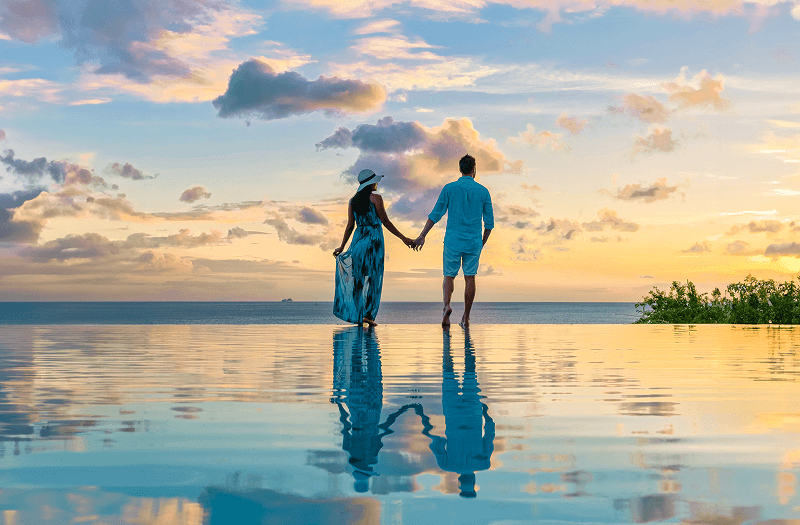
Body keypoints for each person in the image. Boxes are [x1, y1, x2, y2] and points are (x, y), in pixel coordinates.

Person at [414, 154, 494, 327]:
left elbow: (436, 214)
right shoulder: (483, 191)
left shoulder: (449, 189)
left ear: (460, 169)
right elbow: (489, 224)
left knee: (448, 276)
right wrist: (482, 242)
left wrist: (423, 235)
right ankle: (466, 317)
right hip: (473, 241)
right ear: (474, 170)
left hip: (453, 240)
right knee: (470, 277)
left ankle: (446, 306)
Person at [333, 168, 415, 326]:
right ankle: (368, 315)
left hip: (358, 242)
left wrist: (342, 246)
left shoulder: (353, 201)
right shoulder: (376, 198)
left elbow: (350, 225)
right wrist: (403, 237)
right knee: (374, 278)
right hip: (374, 241)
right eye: (375, 181)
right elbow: (385, 221)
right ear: (370, 183)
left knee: (358, 279)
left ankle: (357, 315)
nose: (377, 183)